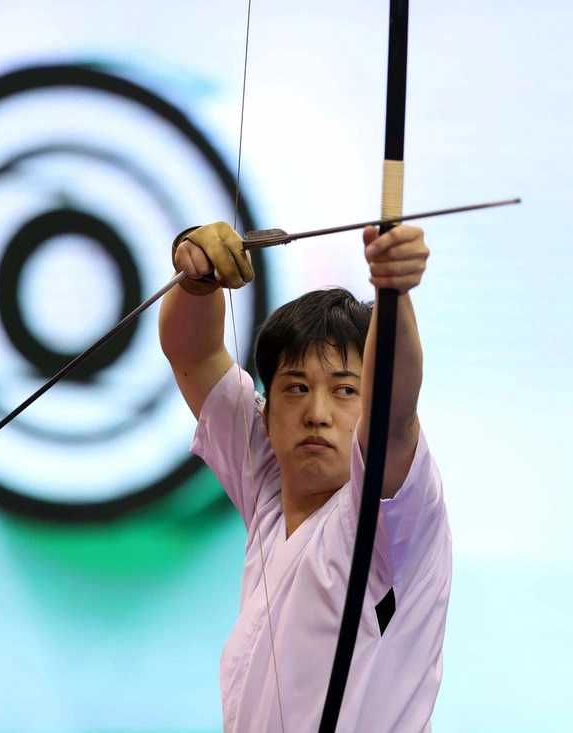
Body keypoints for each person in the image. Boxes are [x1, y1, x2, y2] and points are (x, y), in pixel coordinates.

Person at [158, 221, 452, 732]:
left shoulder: (391, 517)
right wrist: (196, 276)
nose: (317, 413)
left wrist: (394, 293)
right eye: (295, 388)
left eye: (344, 391)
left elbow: (394, 411)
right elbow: (195, 353)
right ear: (266, 413)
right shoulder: (268, 479)